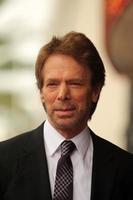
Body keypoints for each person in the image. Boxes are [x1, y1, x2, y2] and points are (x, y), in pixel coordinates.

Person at [0, 31, 133, 200]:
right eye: (52, 84)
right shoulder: (4, 162)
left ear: (95, 91)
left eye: (74, 83)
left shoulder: (126, 170)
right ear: (41, 92)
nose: (62, 94)